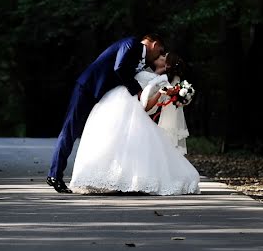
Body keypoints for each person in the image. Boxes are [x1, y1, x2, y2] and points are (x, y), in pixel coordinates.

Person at [46, 33, 166, 193]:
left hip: (100, 93)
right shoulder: (132, 44)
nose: (160, 55)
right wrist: (138, 92)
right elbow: (120, 67)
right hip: (88, 87)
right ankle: (54, 175)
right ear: (155, 44)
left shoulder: (140, 56)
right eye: (161, 50)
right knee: (70, 130)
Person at [68, 51, 200, 195]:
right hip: (117, 102)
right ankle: (110, 177)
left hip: (130, 108)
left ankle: (128, 180)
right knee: (112, 142)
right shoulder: (146, 70)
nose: (159, 57)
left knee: (125, 145)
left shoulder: (161, 81)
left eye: (163, 57)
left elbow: (147, 106)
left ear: (167, 65)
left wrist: (160, 93)